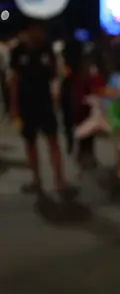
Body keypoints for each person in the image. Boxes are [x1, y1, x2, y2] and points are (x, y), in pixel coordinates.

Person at [8, 21, 71, 197]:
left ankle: (60, 180)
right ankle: (36, 180)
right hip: (26, 104)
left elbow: (55, 76)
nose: (40, 33)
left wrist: (57, 97)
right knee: (30, 143)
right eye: (37, 30)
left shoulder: (47, 49)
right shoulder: (17, 51)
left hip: (45, 104)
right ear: (29, 30)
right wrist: (14, 107)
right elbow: (13, 81)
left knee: (53, 141)